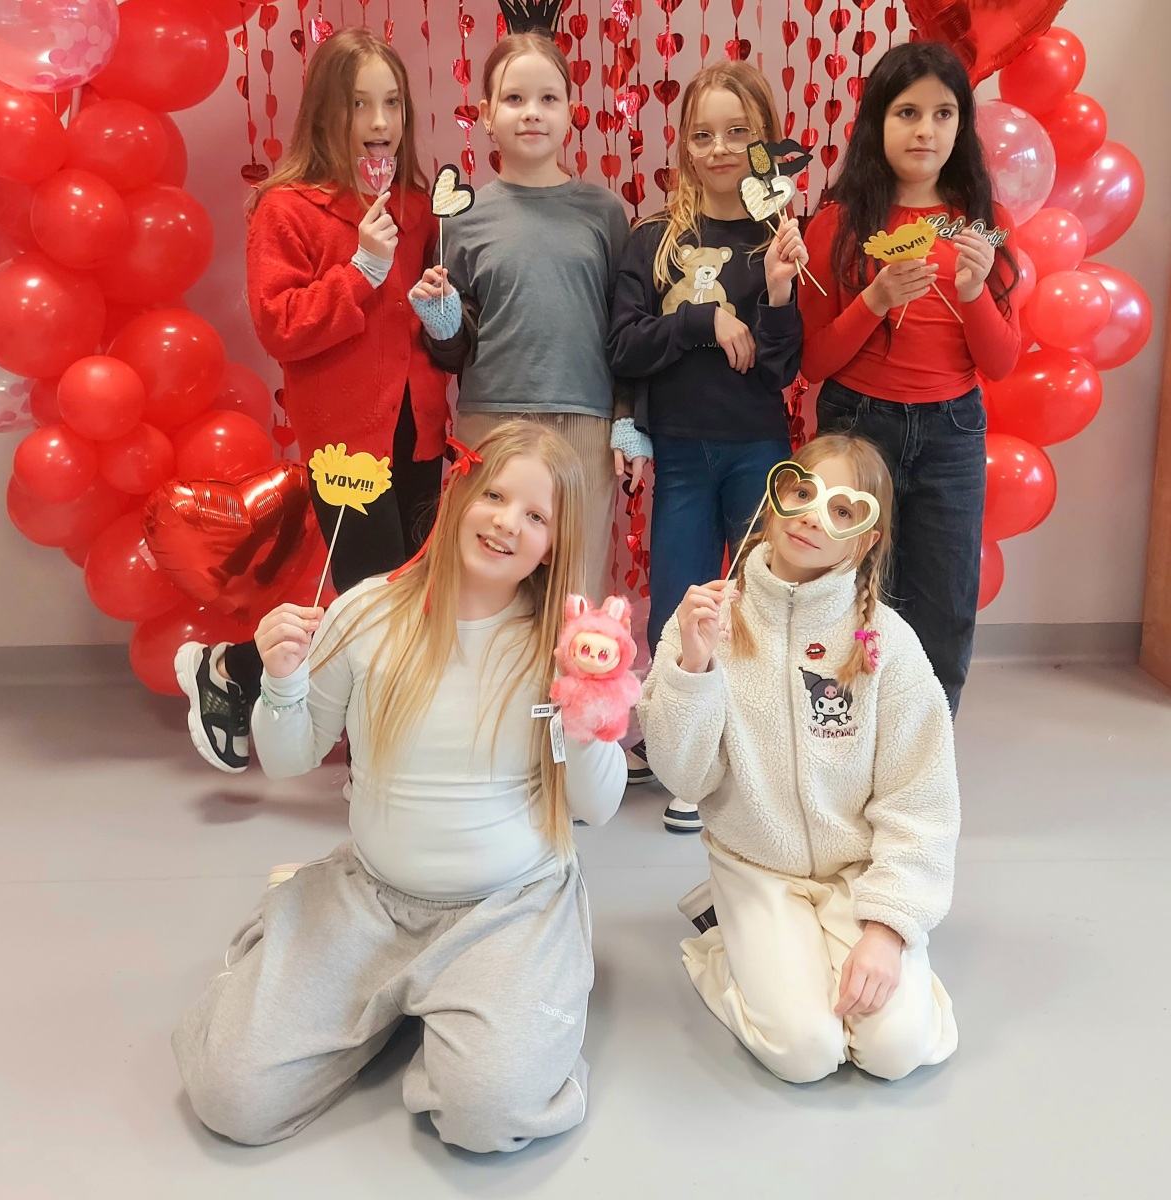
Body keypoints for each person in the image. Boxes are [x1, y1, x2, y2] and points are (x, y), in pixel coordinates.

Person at [172, 421, 627, 1153]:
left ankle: (489, 1002)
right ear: (458, 494)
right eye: (495, 496)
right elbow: (288, 760)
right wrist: (282, 684)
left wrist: (586, 709)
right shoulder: (366, 612)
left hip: (511, 906)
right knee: (231, 1097)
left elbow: (598, 808)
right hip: (373, 895)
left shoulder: (563, 644)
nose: (507, 523)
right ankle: (366, 965)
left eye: (536, 516)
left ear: (553, 543)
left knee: (488, 1114)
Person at [637, 434, 960, 1083]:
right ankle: (724, 940)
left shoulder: (887, 645)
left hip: (860, 872)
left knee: (896, 1051)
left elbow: (921, 801)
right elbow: (685, 776)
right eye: (803, 492)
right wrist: (693, 667)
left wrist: (888, 930)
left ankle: (841, 950)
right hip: (757, 867)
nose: (815, 515)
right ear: (776, 496)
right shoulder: (708, 618)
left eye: (843, 510)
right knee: (805, 1052)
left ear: (864, 540)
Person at [173, 28, 451, 772]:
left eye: (392, 103)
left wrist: (445, 313)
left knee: (409, 598)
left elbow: (427, 331)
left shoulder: (420, 207)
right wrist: (362, 269)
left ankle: (234, 666)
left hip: (419, 430)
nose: (380, 121)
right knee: (372, 605)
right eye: (360, 104)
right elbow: (281, 326)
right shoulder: (287, 209)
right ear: (327, 111)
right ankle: (379, 761)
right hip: (347, 442)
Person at [606, 59, 807, 831]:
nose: (718, 148)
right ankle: (675, 748)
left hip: (757, 448)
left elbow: (783, 368)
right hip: (683, 454)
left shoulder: (776, 237)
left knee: (759, 601)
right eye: (702, 134)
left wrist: (779, 293)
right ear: (683, 143)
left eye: (736, 133)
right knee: (680, 601)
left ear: (764, 141)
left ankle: (745, 752)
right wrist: (702, 319)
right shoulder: (655, 238)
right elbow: (624, 345)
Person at [799, 40, 1021, 716]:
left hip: (952, 432)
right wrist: (876, 299)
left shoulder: (985, 228)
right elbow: (813, 362)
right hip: (857, 427)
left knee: (944, 605)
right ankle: (841, 739)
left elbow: (1002, 362)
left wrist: (974, 292)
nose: (926, 130)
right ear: (877, 121)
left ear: (962, 126)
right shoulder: (838, 225)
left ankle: (924, 748)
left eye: (943, 113)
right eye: (907, 112)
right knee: (845, 595)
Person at [409, 21, 635, 602]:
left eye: (548, 99)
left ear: (570, 112)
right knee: (486, 585)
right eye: (514, 98)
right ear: (487, 114)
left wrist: (628, 419)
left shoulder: (605, 213)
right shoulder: (462, 218)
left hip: (584, 424)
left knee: (573, 588)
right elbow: (454, 349)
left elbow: (625, 328)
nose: (531, 113)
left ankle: (572, 669)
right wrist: (441, 322)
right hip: (490, 422)